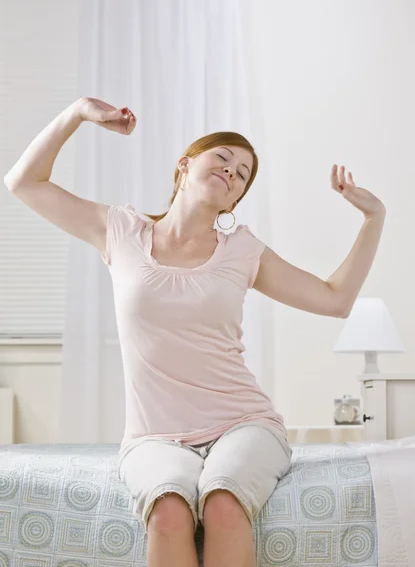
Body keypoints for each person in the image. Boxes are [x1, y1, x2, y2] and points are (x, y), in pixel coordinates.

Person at [4, 96, 386, 567]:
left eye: (242, 174)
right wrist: (78, 112)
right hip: (154, 436)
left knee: (223, 505)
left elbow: (334, 299)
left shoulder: (242, 251)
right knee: (168, 513)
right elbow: (23, 183)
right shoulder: (122, 232)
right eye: (222, 158)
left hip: (243, 425)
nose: (231, 171)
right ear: (184, 165)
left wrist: (373, 218)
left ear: (235, 200)